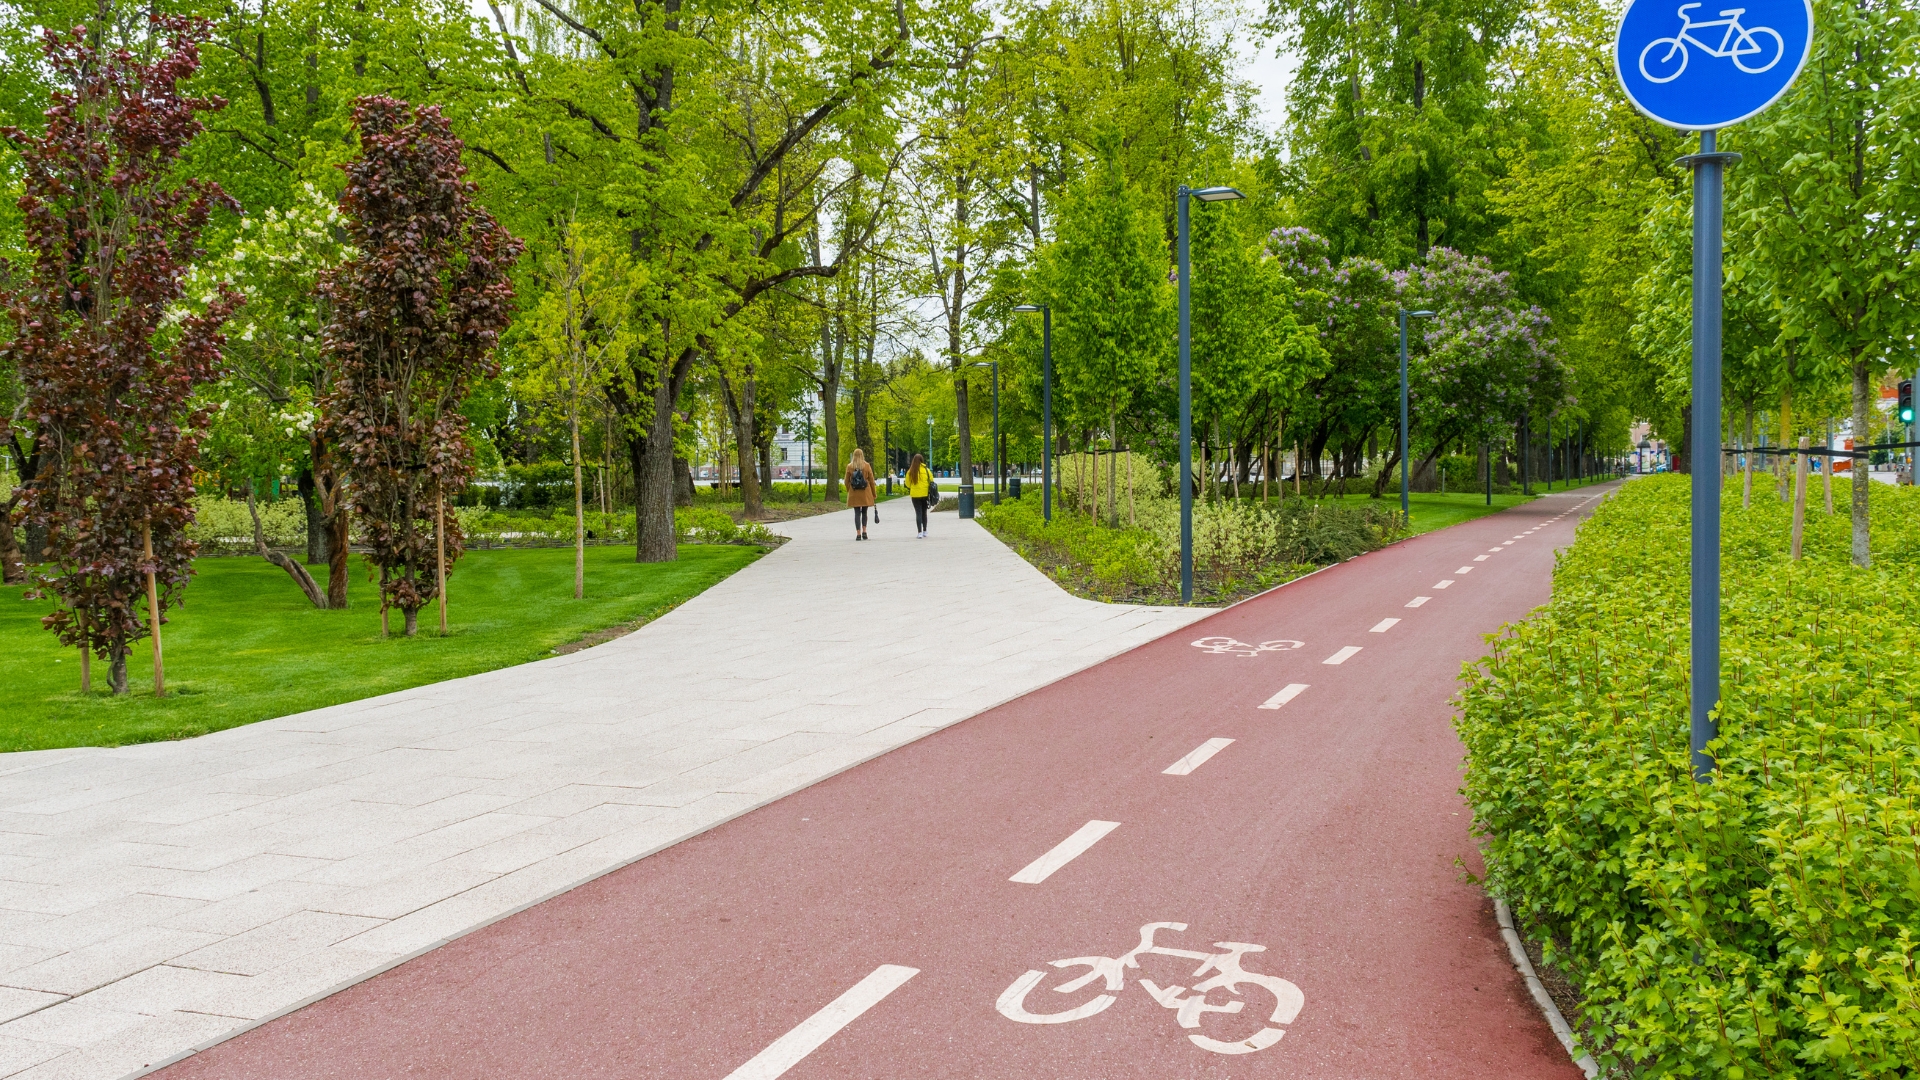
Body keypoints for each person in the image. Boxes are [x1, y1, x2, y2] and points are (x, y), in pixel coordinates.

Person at [845, 448, 877, 540]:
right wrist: (873, 493)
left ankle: (858, 534)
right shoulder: (866, 466)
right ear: (862, 455)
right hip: (865, 492)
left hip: (854, 492)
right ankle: (864, 531)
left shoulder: (850, 466)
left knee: (857, 513)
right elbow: (871, 480)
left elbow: (846, 481)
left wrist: (849, 490)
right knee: (864, 512)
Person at [905, 453, 931, 538]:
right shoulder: (926, 470)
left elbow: (907, 484)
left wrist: (913, 487)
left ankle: (919, 532)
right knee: (924, 512)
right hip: (925, 494)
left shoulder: (910, 471)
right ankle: (925, 531)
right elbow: (931, 480)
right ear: (922, 461)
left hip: (915, 495)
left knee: (918, 513)